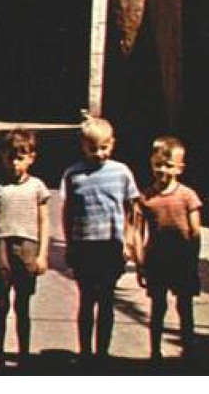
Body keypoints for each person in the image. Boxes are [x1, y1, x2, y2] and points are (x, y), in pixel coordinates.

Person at [61, 116, 139, 364]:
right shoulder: (73, 174)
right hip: (84, 245)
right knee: (86, 300)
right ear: (82, 145)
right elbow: (67, 211)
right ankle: (85, 352)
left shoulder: (121, 172)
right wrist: (69, 243)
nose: (98, 153)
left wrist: (128, 240)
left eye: (104, 147)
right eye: (92, 148)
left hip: (110, 245)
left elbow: (132, 209)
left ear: (112, 144)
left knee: (106, 300)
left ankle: (102, 353)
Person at [135, 135, 202, 362]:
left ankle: (189, 349)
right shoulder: (146, 198)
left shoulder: (187, 196)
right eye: (158, 165)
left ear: (179, 168)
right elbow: (138, 231)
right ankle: (155, 351)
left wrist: (193, 259)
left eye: (168, 165)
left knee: (185, 306)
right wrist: (140, 262)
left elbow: (195, 230)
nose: (162, 170)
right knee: (158, 307)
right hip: (157, 260)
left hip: (182, 260)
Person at [0, 128, 50, 369]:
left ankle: (24, 355)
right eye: (10, 157)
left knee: (22, 304)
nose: (15, 163)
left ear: (31, 158)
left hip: (27, 246)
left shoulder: (37, 186)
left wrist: (43, 254)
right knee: (1, 302)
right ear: (3, 157)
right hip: (1, 244)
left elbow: (45, 221)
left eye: (21, 157)